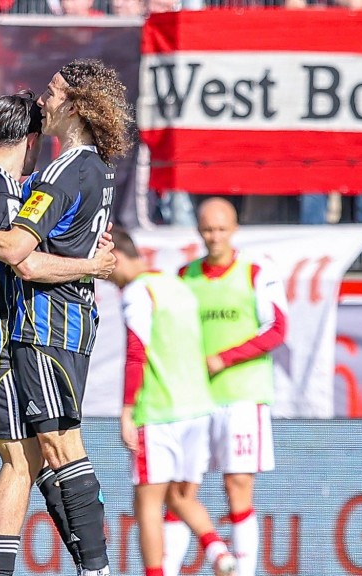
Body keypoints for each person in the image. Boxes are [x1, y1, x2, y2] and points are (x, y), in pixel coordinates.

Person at [0, 59, 132, 576]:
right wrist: (92, 265)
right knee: (29, 459)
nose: (45, 99)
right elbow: (23, 256)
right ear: (29, 140)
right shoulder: (69, 176)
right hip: (3, 339)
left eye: (53, 91)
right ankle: (85, 566)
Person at [107, 227, 237, 576]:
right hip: (197, 408)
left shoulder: (138, 291)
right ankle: (217, 550)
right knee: (181, 498)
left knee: (147, 504)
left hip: (159, 411)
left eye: (105, 266)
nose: (104, 275)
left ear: (116, 256)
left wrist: (127, 410)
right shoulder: (177, 285)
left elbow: (137, 351)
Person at [176, 197, 288, 576]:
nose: (214, 237)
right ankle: (179, 564)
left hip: (242, 395)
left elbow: (276, 329)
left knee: (238, 485)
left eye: (221, 229)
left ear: (234, 229)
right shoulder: (184, 276)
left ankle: (243, 570)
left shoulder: (256, 273)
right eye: (208, 229)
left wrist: (224, 358)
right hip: (194, 399)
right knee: (180, 489)